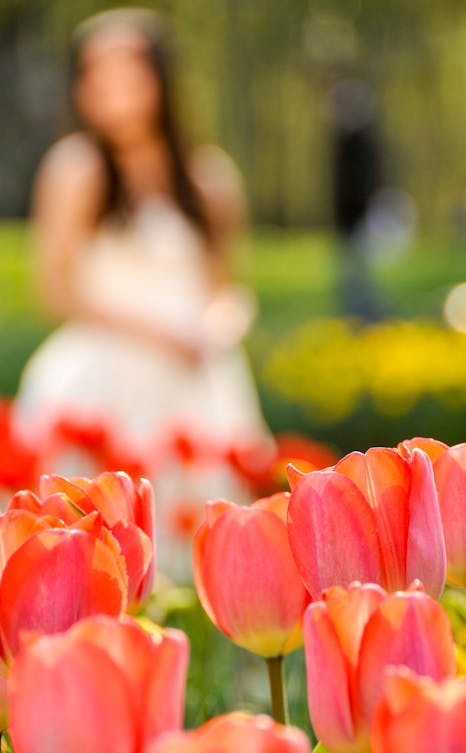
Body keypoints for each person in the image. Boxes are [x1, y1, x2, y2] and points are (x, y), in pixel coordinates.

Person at [13, 8, 267, 571]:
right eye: (96, 76)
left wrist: (219, 328)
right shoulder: (76, 170)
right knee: (93, 540)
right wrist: (157, 333)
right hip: (105, 375)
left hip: (196, 378)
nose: (113, 91)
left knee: (202, 532)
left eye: (129, 73)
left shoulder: (207, 177)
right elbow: (55, 289)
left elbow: (227, 288)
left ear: (161, 79)